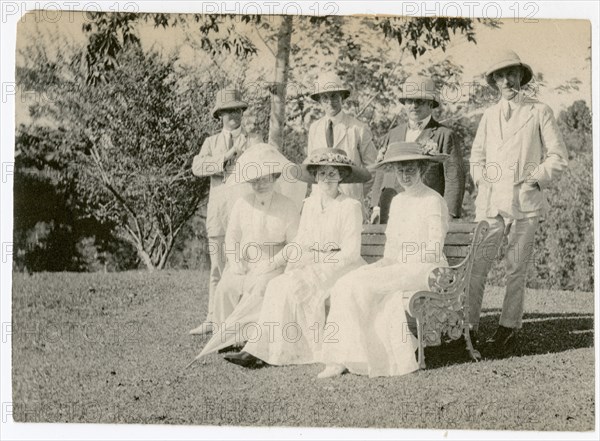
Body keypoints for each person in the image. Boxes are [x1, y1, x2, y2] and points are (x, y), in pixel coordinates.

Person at [223, 149, 370, 368]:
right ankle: (259, 350)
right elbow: (300, 241)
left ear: (342, 176)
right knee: (277, 284)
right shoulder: (310, 203)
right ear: (315, 178)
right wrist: (274, 263)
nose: (326, 179)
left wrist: (320, 267)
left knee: (297, 285)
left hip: (342, 268)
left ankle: (270, 351)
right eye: (321, 174)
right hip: (314, 265)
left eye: (332, 174)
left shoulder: (350, 207)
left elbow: (351, 253)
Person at [318, 141, 450, 378]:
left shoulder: (432, 200)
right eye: (400, 170)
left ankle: (355, 357)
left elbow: (434, 247)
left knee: (358, 286)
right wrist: (385, 264)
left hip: (426, 270)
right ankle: (342, 356)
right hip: (398, 267)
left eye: (411, 169)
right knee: (344, 284)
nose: (405, 175)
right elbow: (392, 248)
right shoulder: (398, 201)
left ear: (422, 169)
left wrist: (401, 262)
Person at [468, 49, 568, 352]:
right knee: (477, 265)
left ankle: (508, 329)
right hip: (490, 203)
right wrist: (483, 180)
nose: (507, 80)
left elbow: (558, 157)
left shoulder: (539, 111)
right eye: (501, 75)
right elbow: (476, 158)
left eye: (512, 73)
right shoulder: (488, 115)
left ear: (520, 78)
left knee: (516, 267)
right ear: (495, 81)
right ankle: (468, 327)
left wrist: (533, 178)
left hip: (525, 203)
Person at [192, 143, 301, 357]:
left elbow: (295, 245)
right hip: (247, 262)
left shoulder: (287, 205)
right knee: (226, 286)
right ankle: (227, 337)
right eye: (255, 180)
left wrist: (273, 263)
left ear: (274, 176)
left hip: (275, 264)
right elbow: (232, 237)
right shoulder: (242, 203)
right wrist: (234, 261)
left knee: (261, 287)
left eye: (264, 178)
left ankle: (254, 341)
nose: (260, 184)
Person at [189, 88, 251, 335]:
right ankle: (213, 319)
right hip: (218, 214)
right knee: (217, 267)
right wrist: (227, 156)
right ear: (220, 115)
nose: (232, 115)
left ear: (242, 112)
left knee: (242, 267)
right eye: (227, 111)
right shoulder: (211, 142)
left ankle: (239, 321)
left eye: (236, 109)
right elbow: (197, 167)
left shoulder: (252, 140)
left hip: (245, 213)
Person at [370, 75, 465, 223]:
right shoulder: (392, 134)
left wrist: (449, 214)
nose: (414, 105)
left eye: (419, 101)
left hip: (426, 211)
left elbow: (454, 178)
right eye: (409, 101)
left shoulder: (444, 135)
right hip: (390, 209)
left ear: (430, 104)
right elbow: (381, 173)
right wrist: (376, 207)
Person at [307, 71, 378, 213]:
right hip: (321, 202)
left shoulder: (358, 128)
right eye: (325, 97)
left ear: (342, 97)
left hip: (349, 202)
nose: (330, 102)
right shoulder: (314, 129)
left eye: (334, 96)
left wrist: (355, 190)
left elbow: (373, 168)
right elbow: (311, 167)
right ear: (320, 100)